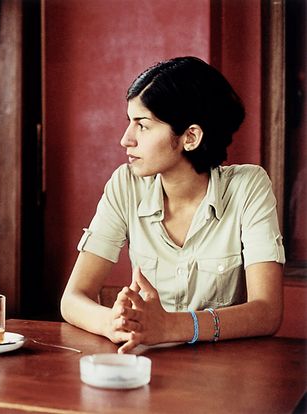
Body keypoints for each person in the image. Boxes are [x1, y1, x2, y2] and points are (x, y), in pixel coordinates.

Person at [60, 56, 285, 354]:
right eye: (129, 122)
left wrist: (172, 326)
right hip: (145, 365)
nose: (125, 139)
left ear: (190, 137)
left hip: (225, 375)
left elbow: (267, 312)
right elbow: (72, 298)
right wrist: (111, 322)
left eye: (143, 125)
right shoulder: (125, 185)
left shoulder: (248, 186)